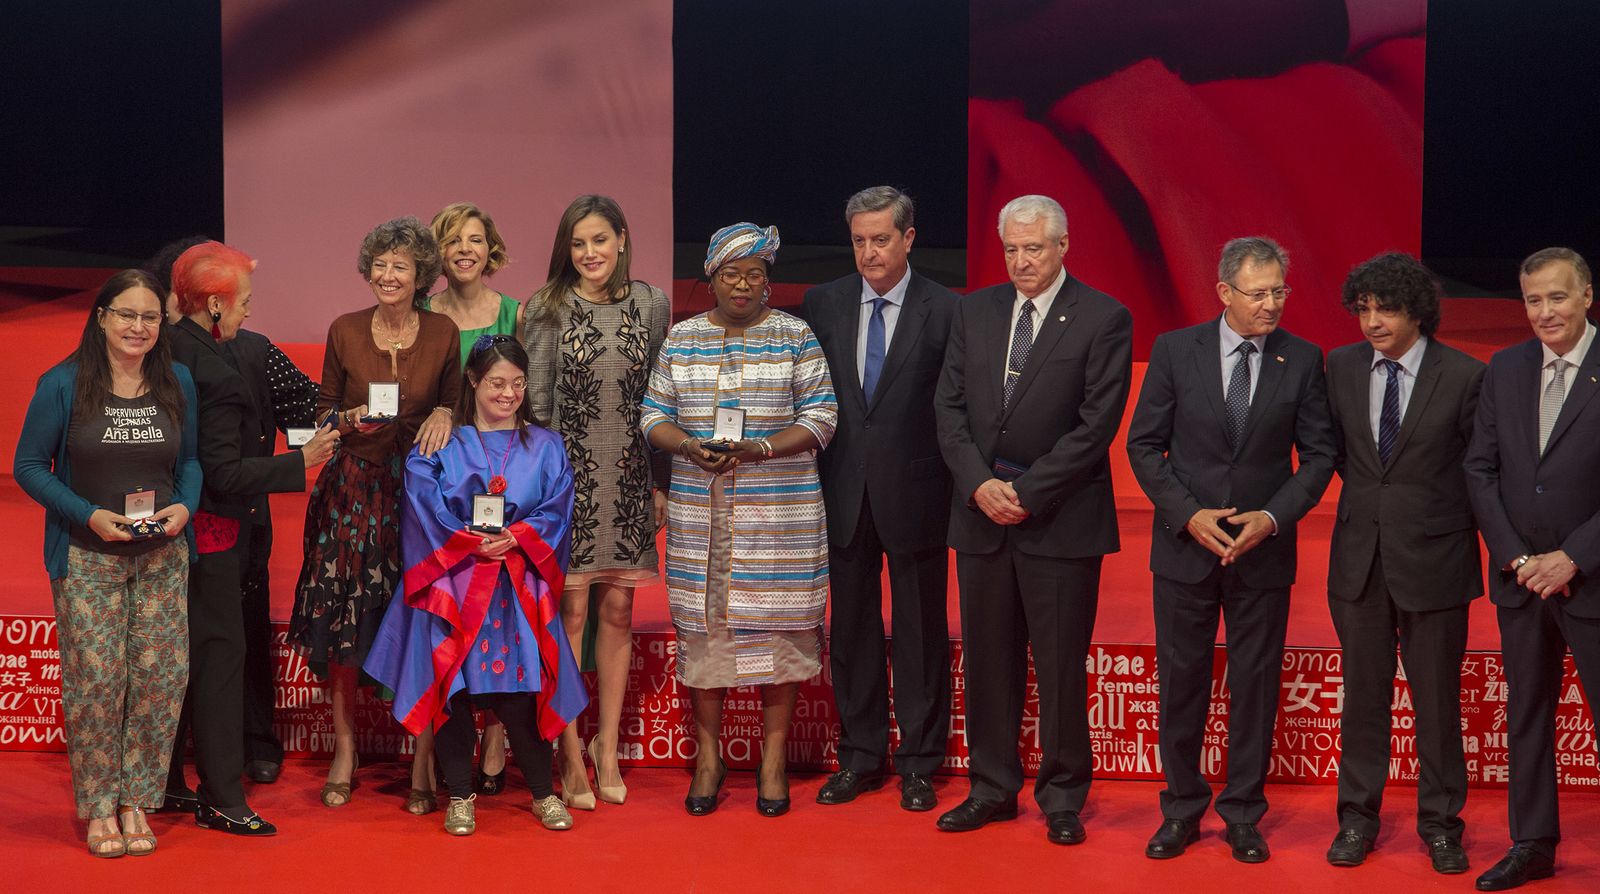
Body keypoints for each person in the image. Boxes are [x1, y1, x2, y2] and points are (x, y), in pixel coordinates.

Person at [1126, 236, 1336, 863]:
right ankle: (1181, 809)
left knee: (1256, 685)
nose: (1272, 304)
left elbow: (1319, 456)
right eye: (1258, 293)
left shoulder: (1303, 359)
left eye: (1279, 292)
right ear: (1224, 292)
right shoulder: (1175, 350)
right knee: (1181, 683)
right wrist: (1189, 515)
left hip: (1262, 552)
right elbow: (1144, 446)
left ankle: (1243, 811)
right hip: (1185, 549)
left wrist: (1271, 519)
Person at [932, 195, 1132, 845]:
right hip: (982, 516)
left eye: (1034, 248)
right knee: (989, 663)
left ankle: (1063, 795)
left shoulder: (1103, 317)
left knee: (1060, 664)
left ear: (1063, 246)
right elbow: (949, 409)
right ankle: (991, 788)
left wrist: (1026, 491)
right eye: (1012, 249)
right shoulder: (974, 310)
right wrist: (980, 484)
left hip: (1060, 519)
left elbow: (1096, 425)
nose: (1021, 261)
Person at [640, 222, 837, 817]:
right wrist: (687, 446)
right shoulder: (683, 339)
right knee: (707, 639)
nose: (743, 285)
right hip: (702, 519)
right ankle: (709, 758)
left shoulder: (794, 336)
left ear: (768, 281)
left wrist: (761, 449)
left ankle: (773, 762)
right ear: (712, 279)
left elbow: (823, 417)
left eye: (755, 274)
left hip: (779, 518)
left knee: (776, 639)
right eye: (731, 274)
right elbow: (652, 414)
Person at [365, 335, 589, 835]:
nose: (508, 394)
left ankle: (543, 794)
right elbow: (421, 501)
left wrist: (518, 535)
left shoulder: (546, 445)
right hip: (458, 586)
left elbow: (557, 509)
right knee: (456, 693)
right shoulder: (445, 442)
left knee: (522, 693)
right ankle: (460, 798)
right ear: (473, 381)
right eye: (496, 383)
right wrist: (467, 540)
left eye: (518, 383)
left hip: (516, 586)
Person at [15, 270, 200, 856]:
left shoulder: (178, 380)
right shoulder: (62, 384)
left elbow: (190, 461)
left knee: (159, 679)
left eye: (150, 317)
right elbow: (29, 467)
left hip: (162, 555)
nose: (138, 327)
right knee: (97, 681)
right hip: (87, 554)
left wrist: (185, 507)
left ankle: (136, 801)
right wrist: (88, 514)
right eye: (126, 314)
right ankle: (99, 807)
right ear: (101, 318)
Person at [165, 242, 340, 836]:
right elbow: (224, 473)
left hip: (158, 532)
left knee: (173, 659)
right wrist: (300, 461)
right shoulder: (218, 373)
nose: (248, 310)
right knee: (220, 658)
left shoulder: (162, 350)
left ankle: (165, 782)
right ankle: (221, 795)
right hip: (214, 534)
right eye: (243, 301)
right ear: (214, 304)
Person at [288, 217, 459, 809]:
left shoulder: (442, 332)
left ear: (420, 276)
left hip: (419, 492)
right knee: (343, 618)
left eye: (400, 267)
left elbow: (456, 402)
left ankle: (423, 754)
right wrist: (347, 420)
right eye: (380, 265)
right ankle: (345, 747)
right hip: (352, 491)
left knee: (421, 616)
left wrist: (445, 413)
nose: (388, 275)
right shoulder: (344, 329)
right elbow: (322, 412)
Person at [1322, 252, 1484, 874]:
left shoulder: (1465, 375)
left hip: (1436, 562)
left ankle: (1441, 825)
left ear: (1418, 311)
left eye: (1386, 309)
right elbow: (1340, 454)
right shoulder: (1340, 366)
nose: (1372, 322)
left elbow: (1478, 468)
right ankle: (1356, 821)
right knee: (1363, 699)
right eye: (1363, 309)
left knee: (1437, 703)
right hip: (1359, 560)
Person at [802, 186, 956, 811]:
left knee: (920, 631)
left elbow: (954, 408)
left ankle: (920, 762)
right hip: (842, 490)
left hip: (919, 493)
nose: (869, 252)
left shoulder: (947, 310)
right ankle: (861, 756)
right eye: (859, 240)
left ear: (908, 238)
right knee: (852, 630)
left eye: (881, 239)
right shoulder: (823, 302)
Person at [523, 194, 670, 809]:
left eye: (600, 240)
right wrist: (543, 494)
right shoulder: (545, 307)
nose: (589, 253)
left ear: (622, 238)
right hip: (568, 485)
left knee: (618, 613)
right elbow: (536, 407)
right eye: (578, 243)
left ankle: (606, 747)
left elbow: (662, 400)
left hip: (631, 479)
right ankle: (569, 747)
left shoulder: (652, 304)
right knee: (571, 615)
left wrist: (661, 482)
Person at [1465, 247, 1600, 892]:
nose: (1544, 311)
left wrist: (1573, 556)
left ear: (1587, 296)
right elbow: (1480, 469)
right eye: (1533, 300)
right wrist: (1519, 559)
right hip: (1522, 581)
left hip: (1592, 576)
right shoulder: (1507, 367)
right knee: (1527, 715)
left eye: (1557, 297)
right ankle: (1532, 844)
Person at [414, 203, 519, 805]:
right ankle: (430, 744)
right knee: (442, 608)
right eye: (453, 240)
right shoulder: (425, 314)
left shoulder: (514, 312)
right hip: (443, 471)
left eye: (475, 239)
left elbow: (521, 389)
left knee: (500, 605)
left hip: (502, 470)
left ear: (490, 249)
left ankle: (497, 736)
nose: (464, 250)